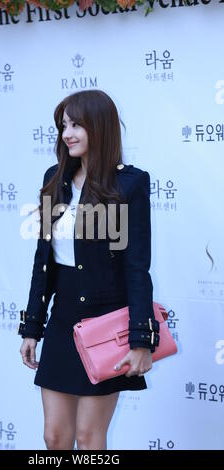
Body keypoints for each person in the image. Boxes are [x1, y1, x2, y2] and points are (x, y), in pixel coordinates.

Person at [19, 89, 159, 450]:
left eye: (77, 124)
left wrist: (141, 339)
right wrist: (32, 326)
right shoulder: (55, 178)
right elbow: (43, 262)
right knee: (54, 437)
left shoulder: (129, 184)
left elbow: (137, 267)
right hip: (63, 321)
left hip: (106, 326)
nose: (67, 133)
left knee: (89, 437)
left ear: (100, 126)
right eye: (64, 125)